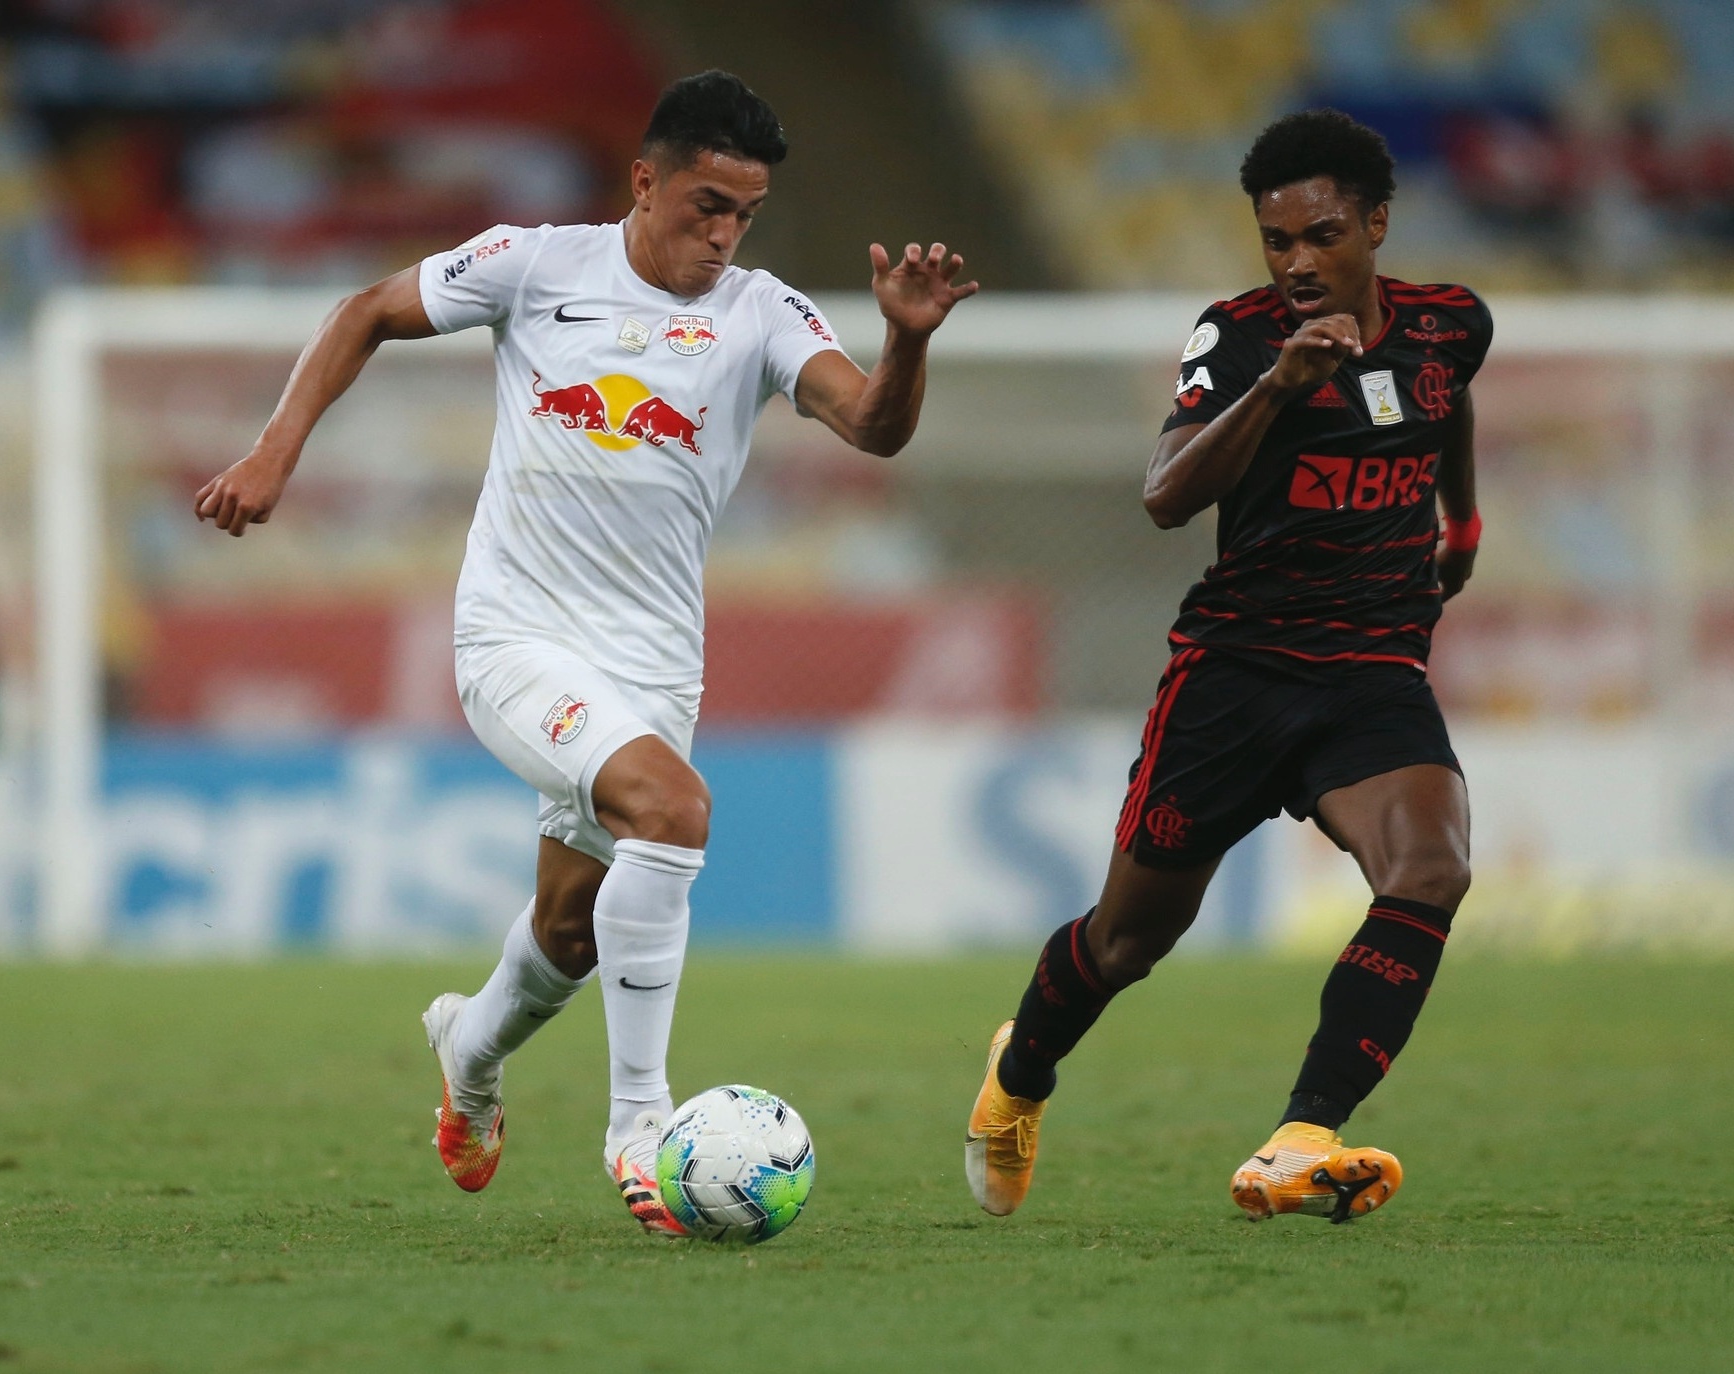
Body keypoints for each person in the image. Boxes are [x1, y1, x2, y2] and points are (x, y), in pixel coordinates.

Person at [195, 70, 976, 1232]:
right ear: (646, 179)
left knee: (568, 931)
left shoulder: (760, 311)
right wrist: (272, 454)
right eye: (705, 203)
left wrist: (904, 346)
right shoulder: (534, 262)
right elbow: (365, 308)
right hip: (514, 635)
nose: (722, 234)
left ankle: (467, 1047)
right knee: (671, 811)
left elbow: (870, 425)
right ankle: (638, 1125)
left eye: (743, 214)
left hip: (652, 665)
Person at [964, 109, 1490, 1225]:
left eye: (1320, 234)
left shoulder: (1449, 326)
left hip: (1370, 671)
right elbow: (1162, 498)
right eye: (1274, 241)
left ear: (1376, 225)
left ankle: (1303, 1136)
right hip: (1233, 679)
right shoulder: (1240, 338)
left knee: (1430, 870)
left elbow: (1447, 405)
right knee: (1126, 940)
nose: (1296, 262)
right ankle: (1017, 1078)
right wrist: (1276, 390)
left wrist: (1461, 524)